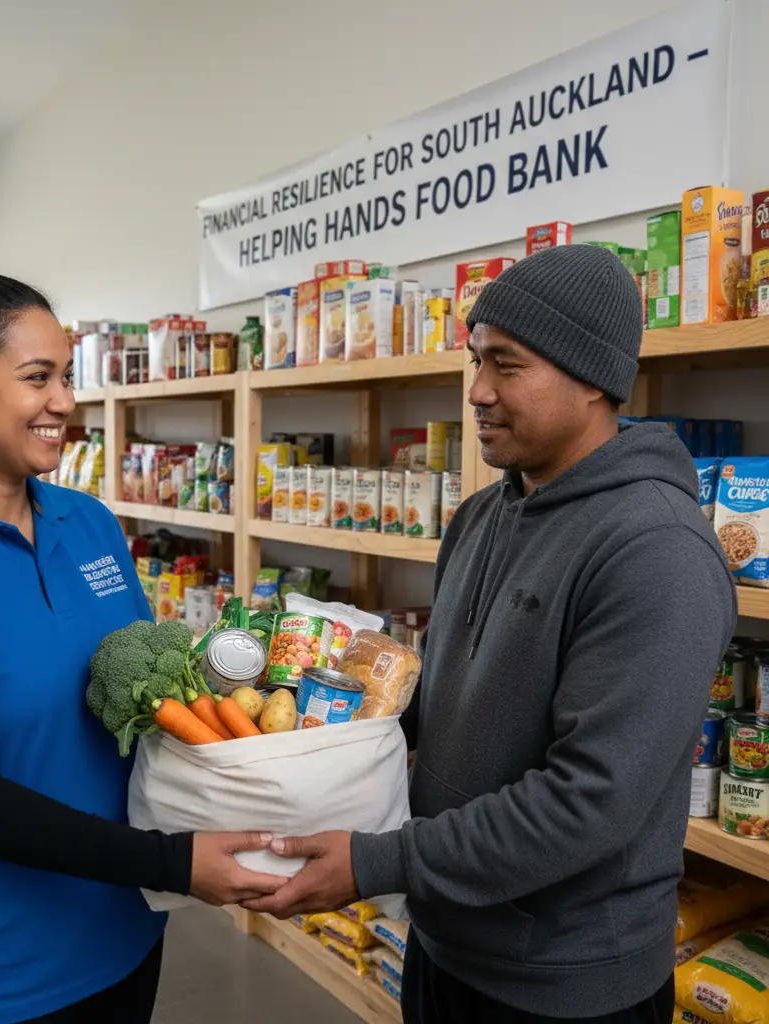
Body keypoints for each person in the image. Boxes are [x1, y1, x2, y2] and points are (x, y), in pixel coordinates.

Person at [244, 245, 737, 1023]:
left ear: (593, 380)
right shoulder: (482, 513)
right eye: (476, 360)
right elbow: (438, 700)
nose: (477, 391)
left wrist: (378, 861)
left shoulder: (657, 549)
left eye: (507, 365)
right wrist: (296, 728)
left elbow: (589, 803)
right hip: (445, 941)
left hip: (565, 985)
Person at [0, 273, 284, 1024]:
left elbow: (149, 688)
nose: (65, 402)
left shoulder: (89, 524)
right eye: (37, 378)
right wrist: (176, 862)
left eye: (67, 377)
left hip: (123, 932)